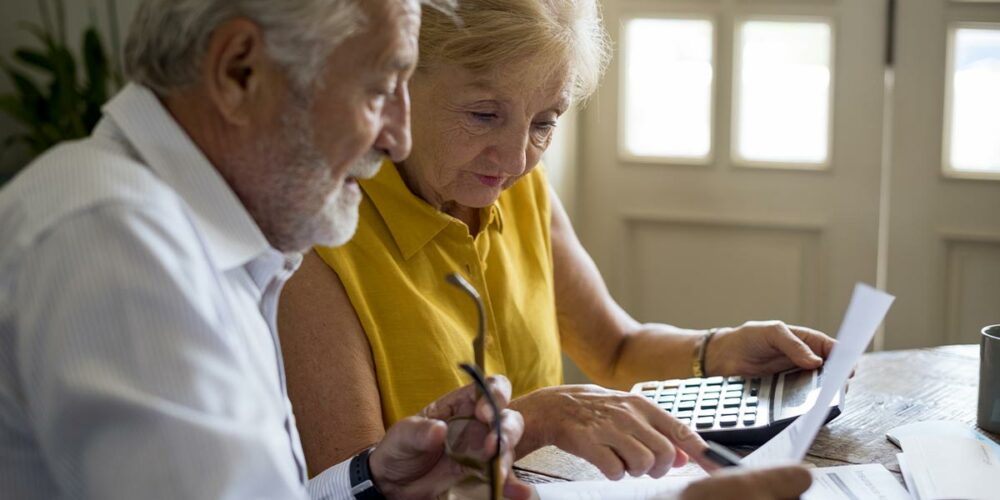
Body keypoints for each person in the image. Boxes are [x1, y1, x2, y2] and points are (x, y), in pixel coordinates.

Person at [278, 0, 829, 497]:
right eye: (484, 115)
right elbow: (357, 484)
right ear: (398, 82)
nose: (517, 159)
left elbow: (615, 348)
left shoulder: (517, 189)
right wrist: (534, 418)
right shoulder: (321, 233)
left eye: (545, 123)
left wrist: (717, 350)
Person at [0, 1, 532, 499]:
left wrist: (374, 485)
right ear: (240, 72)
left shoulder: (199, 238)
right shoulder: (118, 241)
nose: (398, 139)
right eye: (378, 91)